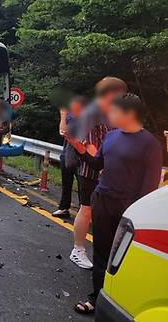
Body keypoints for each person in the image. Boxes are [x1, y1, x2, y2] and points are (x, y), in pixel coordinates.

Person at [67, 94, 162, 314]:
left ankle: (122, 300)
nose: (109, 115)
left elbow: (148, 189)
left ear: (129, 114)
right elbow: (96, 163)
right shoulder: (111, 136)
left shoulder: (150, 144)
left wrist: (137, 215)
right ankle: (96, 297)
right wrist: (79, 147)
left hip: (128, 207)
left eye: (115, 111)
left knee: (123, 257)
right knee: (101, 252)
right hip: (102, 200)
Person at [68, 77, 127, 270]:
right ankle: (78, 250)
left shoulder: (111, 113)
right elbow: (91, 146)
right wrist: (103, 168)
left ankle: (106, 251)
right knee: (86, 208)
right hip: (92, 170)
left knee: (107, 212)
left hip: (110, 170)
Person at [52, 95, 87, 217]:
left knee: (82, 185)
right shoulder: (69, 117)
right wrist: (63, 116)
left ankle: (83, 211)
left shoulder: (86, 119)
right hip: (68, 153)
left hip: (81, 155)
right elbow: (62, 132)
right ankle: (64, 207)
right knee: (66, 182)